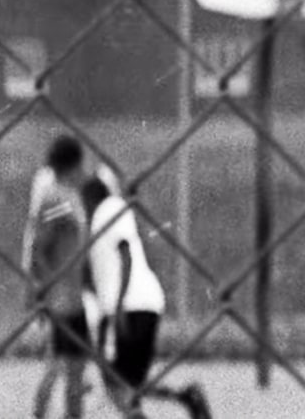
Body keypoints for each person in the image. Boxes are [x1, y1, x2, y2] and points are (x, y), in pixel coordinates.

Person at [80, 179, 212, 419]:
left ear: (89, 198)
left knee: (115, 380)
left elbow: (126, 254)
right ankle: (184, 395)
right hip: (139, 304)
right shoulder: (100, 222)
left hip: (128, 305)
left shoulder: (108, 209)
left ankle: (141, 412)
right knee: (131, 379)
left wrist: (119, 307)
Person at [23, 134, 93, 419]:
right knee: (55, 369)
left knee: (75, 373)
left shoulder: (70, 196)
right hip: (62, 300)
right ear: (73, 165)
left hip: (74, 298)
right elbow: (38, 250)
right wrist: (49, 288)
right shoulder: (54, 198)